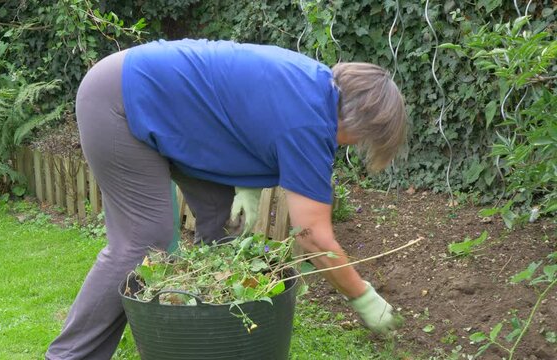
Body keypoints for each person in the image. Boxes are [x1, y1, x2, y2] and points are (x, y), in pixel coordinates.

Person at [46, 39, 408, 360]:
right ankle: (68, 355)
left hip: (158, 102)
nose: (353, 146)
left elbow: (245, 117)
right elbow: (312, 235)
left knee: (223, 224)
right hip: (120, 100)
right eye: (363, 141)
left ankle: (205, 331)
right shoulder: (311, 121)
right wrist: (363, 297)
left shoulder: (312, 87)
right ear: (361, 123)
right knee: (143, 241)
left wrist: (246, 186)